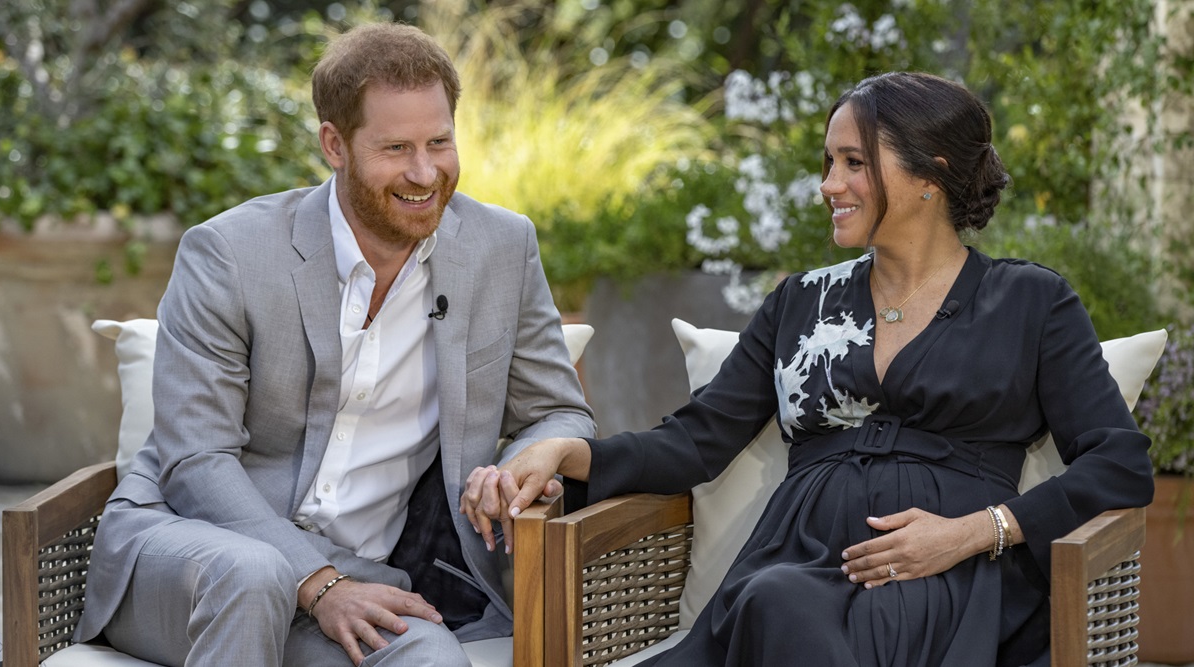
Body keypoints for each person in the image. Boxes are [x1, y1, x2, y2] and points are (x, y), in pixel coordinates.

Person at [471, 71, 1154, 666]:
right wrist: (568, 450)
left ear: (929, 174)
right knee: (775, 601)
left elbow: (1119, 462)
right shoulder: (802, 301)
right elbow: (694, 440)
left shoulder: (1030, 301)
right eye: (829, 162)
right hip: (799, 562)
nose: (830, 184)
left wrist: (976, 531)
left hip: (951, 574)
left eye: (854, 163)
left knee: (788, 609)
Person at [74, 22, 595, 667]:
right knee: (256, 574)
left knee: (433, 661)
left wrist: (528, 457)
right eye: (396, 148)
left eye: (440, 142)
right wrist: (320, 586)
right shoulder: (229, 254)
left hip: (360, 573)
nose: (425, 172)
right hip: (191, 553)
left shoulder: (503, 249)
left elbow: (558, 410)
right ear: (334, 144)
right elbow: (196, 459)